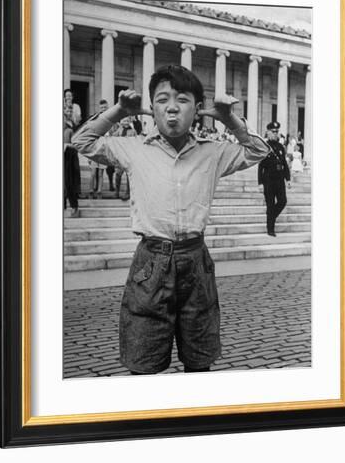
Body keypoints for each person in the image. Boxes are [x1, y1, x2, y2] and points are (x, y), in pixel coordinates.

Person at [72, 64, 269, 375]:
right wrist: (120, 111)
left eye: (183, 100)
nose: (173, 108)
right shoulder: (133, 149)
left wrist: (229, 118)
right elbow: (81, 142)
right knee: (144, 356)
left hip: (195, 259)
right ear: (152, 109)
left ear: (198, 109)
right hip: (151, 262)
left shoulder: (213, 152)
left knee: (199, 356)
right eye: (162, 100)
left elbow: (258, 151)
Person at [258, 121, 292, 236]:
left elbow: (285, 164)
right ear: (268, 132)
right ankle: (270, 229)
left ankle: (271, 217)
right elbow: (260, 166)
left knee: (283, 201)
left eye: (277, 132)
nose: (275, 134)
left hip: (279, 179)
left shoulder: (281, 147)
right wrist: (260, 183)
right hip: (268, 180)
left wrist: (288, 179)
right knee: (270, 204)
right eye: (273, 131)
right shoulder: (264, 146)